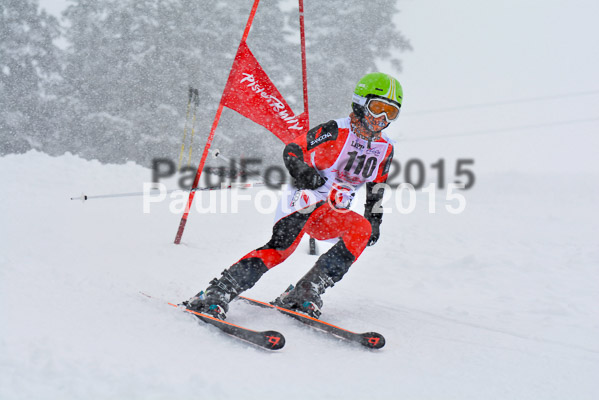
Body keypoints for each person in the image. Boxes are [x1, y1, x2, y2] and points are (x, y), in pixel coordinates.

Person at [184, 72, 402, 319]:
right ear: (361, 102)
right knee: (281, 250)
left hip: (332, 214)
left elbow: (377, 187)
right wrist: (303, 172)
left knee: (361, 229)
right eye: (377, 108)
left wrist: (374, 219)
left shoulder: (385, 148)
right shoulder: (335, 130)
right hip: (304, 202)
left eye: (390, 113)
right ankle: (218, 291)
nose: (381, 119)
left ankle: (306, 291)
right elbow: (292, 150)